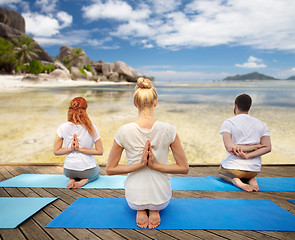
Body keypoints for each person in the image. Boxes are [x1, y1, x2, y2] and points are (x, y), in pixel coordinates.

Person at [106, 77, 189, 229]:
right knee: (157, 200)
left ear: (135, 103)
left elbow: (110, 169)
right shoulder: (169, 129)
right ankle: (154, 208)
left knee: (137, 200)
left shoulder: (124, 131)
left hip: (134, 199)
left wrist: (139, 165)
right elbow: (184, 168)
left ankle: (141, 209)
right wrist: (155, 165)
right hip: (162, 199)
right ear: (155, 102)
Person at [219, 94, 271, 192]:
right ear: (249, 106)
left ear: (235, 106)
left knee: (221, 172)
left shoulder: (229, 122)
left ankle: (236, 181)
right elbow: (267, 147)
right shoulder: (261, 124)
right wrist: (251, 151)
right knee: (248, 173)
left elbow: (230, 148)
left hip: (233, 169)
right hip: (253, 170)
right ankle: (251, 178)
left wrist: (245, 152)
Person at [54, 97, 103, 189]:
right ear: (85, 109)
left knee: (73, 172)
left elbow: (56, 151)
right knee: (98, 170)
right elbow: (100, 151)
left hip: (68, 170)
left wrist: (71, 149)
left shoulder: (62, 127)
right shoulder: (91, 127)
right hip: (87, 170)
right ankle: (85, 180)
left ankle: (71, 179)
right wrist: (80, 149)